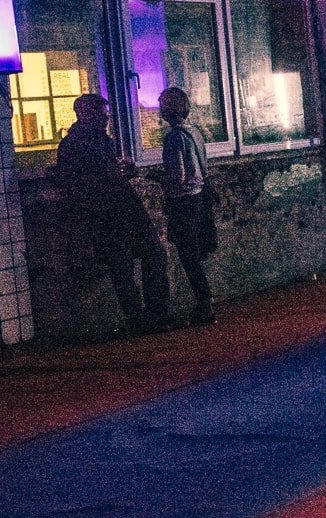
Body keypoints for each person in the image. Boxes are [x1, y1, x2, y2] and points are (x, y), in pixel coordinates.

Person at [54, 93, 172, 334]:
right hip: (105, 214)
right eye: (101, 115)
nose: (106, 119)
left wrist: (120, 171)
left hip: (124, 208)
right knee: (123, 266)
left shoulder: (102, 141)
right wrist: (108, 178)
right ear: (84, 114)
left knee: (152, 255)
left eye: (106, 115)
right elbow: (73, 184)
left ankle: (155, 314)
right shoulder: (72, 145)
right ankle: (140, 318)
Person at [158, 87, 216, 326]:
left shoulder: (174, 138)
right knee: (194, 255)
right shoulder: (195, 133)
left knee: (189, 256)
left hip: (183, 202)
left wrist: (158, 178)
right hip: (199, 197)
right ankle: (205, 302)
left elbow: (178, 176)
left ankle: (204, 304)